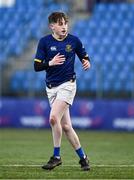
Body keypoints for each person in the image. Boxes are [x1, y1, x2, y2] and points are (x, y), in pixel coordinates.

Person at [34, 12, 91, 171]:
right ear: (52, 26)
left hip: (68, 85)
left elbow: (84, 57)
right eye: (60, 24)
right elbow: (37, 66)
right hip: (51, 88)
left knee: (53, 118)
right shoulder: (44, 42)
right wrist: (50, 63)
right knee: (66, 126)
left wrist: (87, 62)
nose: (64, 26)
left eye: (65, 23)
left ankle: (56, 157)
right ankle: (84, 158)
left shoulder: (74, 41)